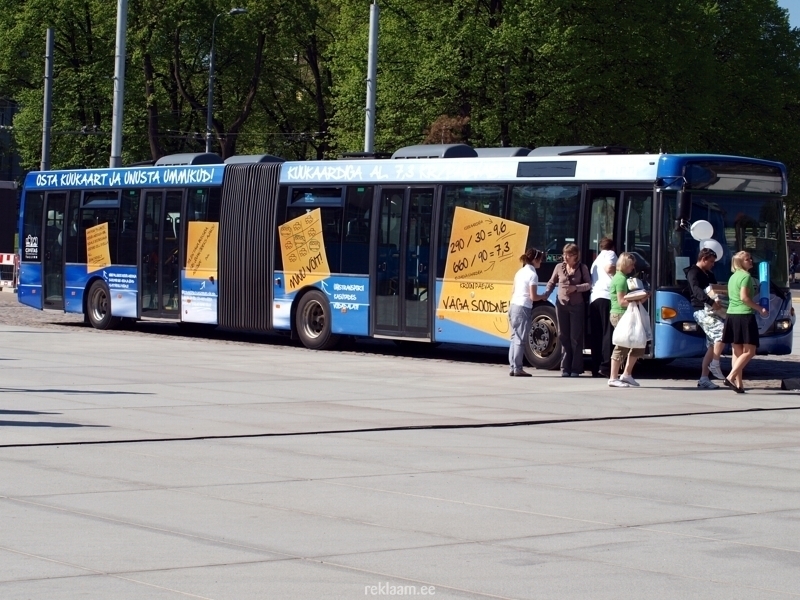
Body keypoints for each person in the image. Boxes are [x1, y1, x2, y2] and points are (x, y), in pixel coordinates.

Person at [721, 251, 769, 393]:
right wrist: (760, 309)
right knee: (750, 351)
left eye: (750, 258)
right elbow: (744, 298)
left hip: (731, 315)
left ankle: (739, 384)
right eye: (747, 259)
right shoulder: (746, 276)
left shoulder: (732, 277)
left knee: (737, 352)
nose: (751, 261)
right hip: (744, 315)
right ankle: (730, 377)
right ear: (741, 262)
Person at [544, 243, 591, 377]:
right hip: (561, 305)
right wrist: (547, 293)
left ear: (575, 256)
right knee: (562, 335)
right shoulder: (559, 267)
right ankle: (565, 367)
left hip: (577, 305)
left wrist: (576, 288)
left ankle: (575, 369)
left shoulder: (582, 268)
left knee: (575, 337)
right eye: (564, 254)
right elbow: (552, 282)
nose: (565, 257)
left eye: (568, 254)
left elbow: (589, 284)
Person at [684, 248, 726, 389]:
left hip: (712, 309)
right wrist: (710, 301)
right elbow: (696, 290)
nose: (713, 264)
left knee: (712, 344)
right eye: (711, 262)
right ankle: (715, 364)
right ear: (703, 259)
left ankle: (704, 378)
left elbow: (715, 288)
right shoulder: (693, 272)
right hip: (701, 309)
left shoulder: (708, 273)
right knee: (721, 333)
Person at [607, 252, 649, 388]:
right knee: (622, 345)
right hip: (620, 314)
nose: (633, 267)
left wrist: (640, 298)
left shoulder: (623, 277)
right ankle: (613, 377)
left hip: (627, 314)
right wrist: (639, 299)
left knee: (638, 343)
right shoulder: (620, 279)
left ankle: (626, 374)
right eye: (631, 264)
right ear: (625, 264)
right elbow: (621, 302)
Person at [508, 247, 546, 377]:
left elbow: (513, 291)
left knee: (514, 337)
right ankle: (518, 368)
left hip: (513, 305)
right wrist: (543, 296)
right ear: (535, 260)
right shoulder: (532, 275)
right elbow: (533, 297)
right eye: (540, 259)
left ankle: (513, 367)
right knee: (520, 339)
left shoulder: (519, 272)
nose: (541, 262)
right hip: (523, 307)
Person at [589, 238, 617, 378]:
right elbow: (609, 268)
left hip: (594, 298)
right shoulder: (610, 254)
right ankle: (605, 366)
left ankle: (595, 367)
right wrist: (621, 268)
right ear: (612, 247)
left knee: (597, 334)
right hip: (607, 297)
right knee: (608, 333)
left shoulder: (596, 260)